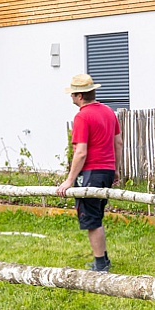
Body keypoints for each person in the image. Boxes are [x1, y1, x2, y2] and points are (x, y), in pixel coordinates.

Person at [54, 73, 122, 272]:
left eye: (72, 94)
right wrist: (115, 169)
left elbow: (81, 152)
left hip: (90, 173)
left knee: (91, 219)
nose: (71, 97)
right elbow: (118, 143)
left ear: (80, 96)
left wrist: (69, 180)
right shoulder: (109, 112)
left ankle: (100, 264)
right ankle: (103, 258)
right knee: (97, 214)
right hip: (106, 171)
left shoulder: (82, 116)